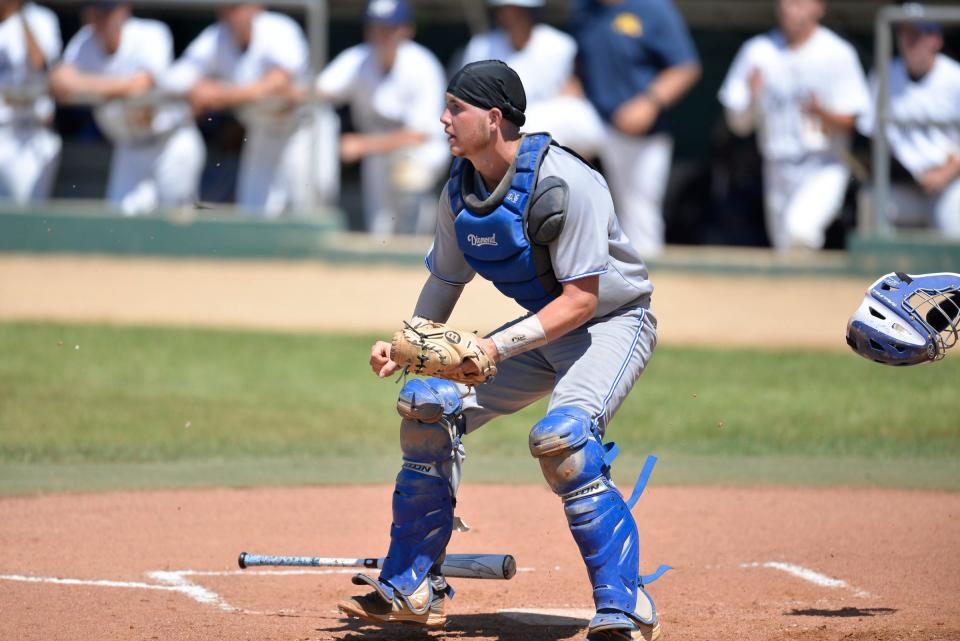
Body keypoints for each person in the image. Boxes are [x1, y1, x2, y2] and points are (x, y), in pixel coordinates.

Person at [337, 60, 664, 641]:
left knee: (562, 440)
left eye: (455, 108)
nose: (443, 119)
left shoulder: (568, 184)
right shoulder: (460, 191)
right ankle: (415, 583)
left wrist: (492, 345)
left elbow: (582, 302)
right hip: (540, 330)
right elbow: (443, 284)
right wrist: (407, 347)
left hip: (611, 323)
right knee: (426, 406)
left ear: (493, 118)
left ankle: (625, 602)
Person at [160, 2, 339, 217]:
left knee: (310, 206)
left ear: (256, 6)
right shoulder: (216, 37)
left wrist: (220, 94)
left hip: (303, 130)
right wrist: (201, 89)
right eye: (225, 7)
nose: (229, 13)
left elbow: (277, 83)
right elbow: (177, 79)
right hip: (262, 132)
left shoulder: (278, 28)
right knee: (254, 211)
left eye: (236, 6)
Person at [718, 0, 870, 251]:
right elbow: (738, 126)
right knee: (785, 248)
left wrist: (821, 112)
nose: (790, 9)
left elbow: (852, 123)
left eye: (799, 3)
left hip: (824, 164)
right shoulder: (758, 51)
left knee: (800, 232)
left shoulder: (837, 52)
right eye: (786, 3)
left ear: (818, 7)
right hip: (776, 167)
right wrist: (752, 97)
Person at [49, 1, 204, 215]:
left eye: (107, 11)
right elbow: (59, 82)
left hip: (170, 143)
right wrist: (113, 87)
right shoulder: (85, 40)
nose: (101, 19)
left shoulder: (150, 33)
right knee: (120, 228)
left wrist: (86, 85)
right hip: (129, 148)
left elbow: (141, 84)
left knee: (176, 223)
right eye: (95, 12)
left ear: (123, 10)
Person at [573, 0, 701, 257]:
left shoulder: (653, 8)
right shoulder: (583, 8)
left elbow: (686, 67)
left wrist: (650, 102)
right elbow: (579, 63)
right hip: (595, 117)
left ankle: (648, 290)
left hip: (641, 130)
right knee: (541, 124)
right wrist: (571, 87)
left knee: (640, 218)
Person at [316, 0, 447, 236]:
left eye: (389, 28)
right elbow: (318, 92)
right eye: (375, 27)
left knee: (411, 182)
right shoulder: (358, 58)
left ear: (407, 30)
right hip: (377, 150)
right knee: (381, 229)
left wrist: (363, 145)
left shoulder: (423, 65)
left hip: (419, 151)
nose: (381, 35)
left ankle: (419, 245)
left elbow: (419, 135)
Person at [460, 0, 605, 156]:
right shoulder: (480, 48)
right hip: (501, 124)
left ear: (532, 12)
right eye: (506, 10)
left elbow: (573, 94)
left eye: (519, 11)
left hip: (551, 124)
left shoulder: (560, 45)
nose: (511, 17)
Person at [858, 20, 960, 238]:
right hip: (905, 183)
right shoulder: (885, 74)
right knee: (870, 201)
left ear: (936, 40)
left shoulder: (955, 77)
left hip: (950, 182)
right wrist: (904, 172)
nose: (911, 42)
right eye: (906, 35)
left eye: (919, 36)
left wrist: (944, 173)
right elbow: (873, 137)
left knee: (954, 226)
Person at [0, 0, 61, 204]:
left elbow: (41, 63)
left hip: (26, 134)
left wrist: (19, 13)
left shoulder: (40, 18)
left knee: (24, 217)